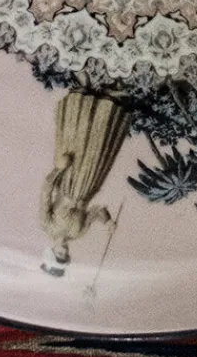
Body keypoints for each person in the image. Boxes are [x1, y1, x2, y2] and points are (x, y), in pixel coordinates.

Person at [39, 91, 130, 276]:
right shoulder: (78, 233)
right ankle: (111, 102)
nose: (64, 251)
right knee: (99, 146)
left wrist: (58, 170)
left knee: (80, 140)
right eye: (65, 255)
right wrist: (108, 222)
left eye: (59, 254)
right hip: (90, 182)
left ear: (52, 251)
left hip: (69, 177)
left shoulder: (47, 225)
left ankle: (86, 97)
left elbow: (46, 191)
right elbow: (96, 211)